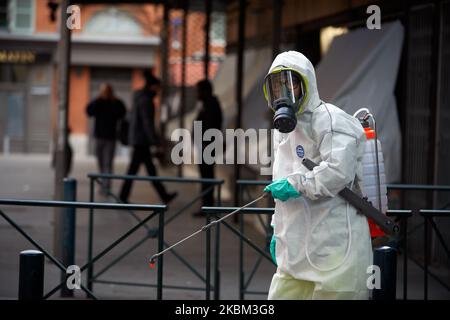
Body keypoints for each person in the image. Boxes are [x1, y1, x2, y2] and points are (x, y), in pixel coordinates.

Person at [263, 51, 372, 299]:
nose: (284, 95)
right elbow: (282, 183)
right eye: (277, 88)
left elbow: (337, 172)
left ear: (307, 84)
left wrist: (296, 184)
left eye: (291, 85)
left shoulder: (332, 121)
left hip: (335, 250)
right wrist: (276, 229)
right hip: (295, 251)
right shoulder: (284, 132)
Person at [119, 70, 177, 204]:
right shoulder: (146, 100)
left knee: (147, 170)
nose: (159, 91)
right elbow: (147, 122)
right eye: (158, 87)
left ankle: (163, 195)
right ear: (152, 86)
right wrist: (155, 141)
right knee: (137, 170)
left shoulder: (139, 97)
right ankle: (123, 196)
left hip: (139, 139)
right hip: (142, 140)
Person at [86, 83, 126, 195]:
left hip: (109, 138)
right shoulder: (98, 102)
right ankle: (104, 186)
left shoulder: (115, 102)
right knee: (102, 162)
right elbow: (89, 111)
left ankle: (106, 187)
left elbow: (122, 113)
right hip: (101, 137)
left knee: (107, 163)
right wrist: (97, 100)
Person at [192, 79, 223, 217]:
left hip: (207, 147)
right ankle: (207, 205)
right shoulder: (206, 104)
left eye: (198, 90)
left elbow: (211, 126)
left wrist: (205, 143)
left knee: (207, 176)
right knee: (205, 176)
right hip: (205, 146)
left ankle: (208, 207)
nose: (196, 93)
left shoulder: (211, 105)